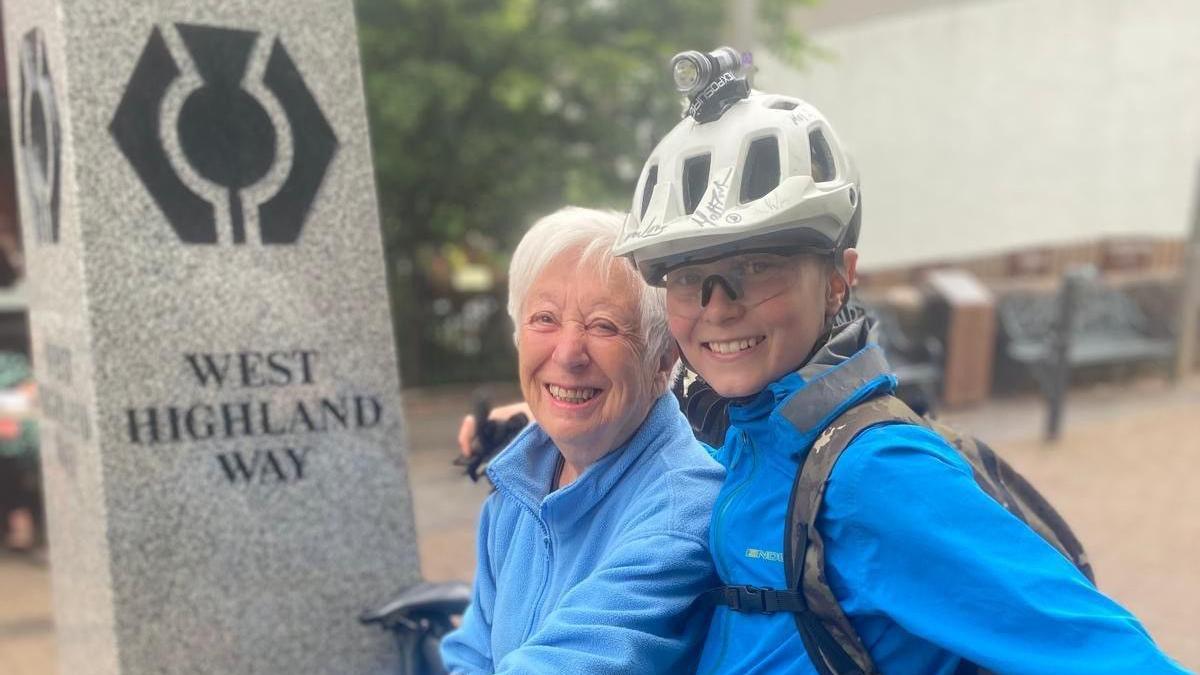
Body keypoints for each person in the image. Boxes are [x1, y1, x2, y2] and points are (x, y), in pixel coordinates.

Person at [463, 60, 1187, 673]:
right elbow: (669, 424)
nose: (719, 307)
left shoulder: (874, 474)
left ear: (839, 278)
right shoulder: (752, 436)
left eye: (756, 266)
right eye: (687, 275)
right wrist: (548, 416)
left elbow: (1111, 655)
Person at [439, 206, 725, 674]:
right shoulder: (516, 491)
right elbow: (470, 655)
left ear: (661, 361)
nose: (568, 353)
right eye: (544, 319)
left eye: (603, 326)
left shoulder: (681, 514)